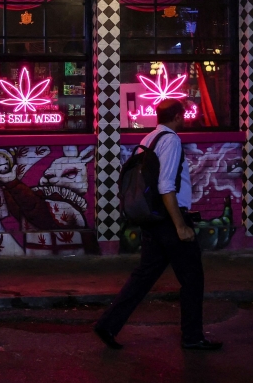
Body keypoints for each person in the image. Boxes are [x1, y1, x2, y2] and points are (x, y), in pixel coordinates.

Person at [95, 99, 222, 351]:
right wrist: (180, 226)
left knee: (144, 276)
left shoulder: (148, 139)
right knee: (192, 278)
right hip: (168, 219)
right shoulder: (171, 140)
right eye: (183, 115)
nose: (185, 119)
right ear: (176, 116)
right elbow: (166, 186)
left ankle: (108, 324)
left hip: (152, 219)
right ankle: (192, 337)